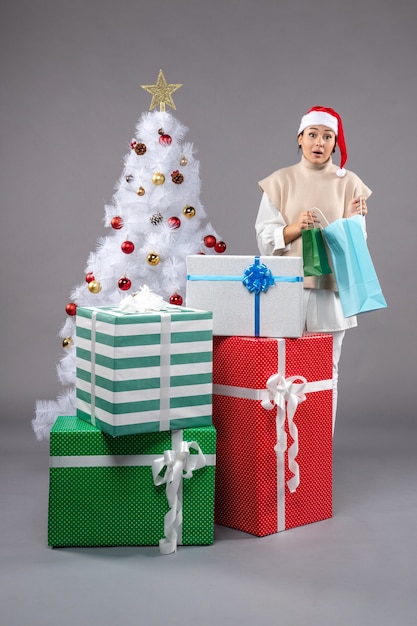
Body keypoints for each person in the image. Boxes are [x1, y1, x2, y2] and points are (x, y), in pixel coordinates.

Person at [255, 106, 372, 434]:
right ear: (300, 138)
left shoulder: (350, 183)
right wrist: (294, 228)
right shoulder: (281, 181)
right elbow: (265, 238)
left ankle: (319, 450)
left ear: (335, 144)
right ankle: (281, 446)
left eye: (327, 136)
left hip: (329, 291)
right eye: (312, 135)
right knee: (281, 368)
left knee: (326, 372)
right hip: (286, 288)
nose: (319, 142)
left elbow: (357, 244)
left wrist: (352, 218)